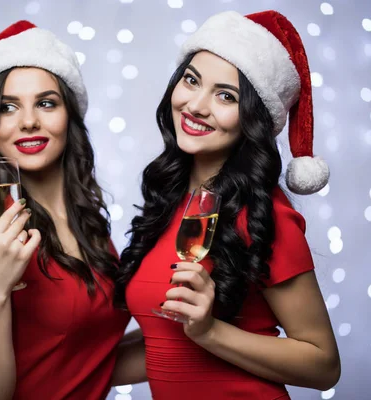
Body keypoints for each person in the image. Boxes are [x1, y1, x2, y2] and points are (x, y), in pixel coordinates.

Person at [115, 10, 340, 399]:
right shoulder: (170, 201)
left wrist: (211, 332)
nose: (196, 105)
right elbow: (164, 344)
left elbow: (324, 365)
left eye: (226, 96)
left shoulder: (264, 216)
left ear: (254, 117)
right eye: (191, 80)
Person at [0, 21, 135, 399]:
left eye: (46, 103)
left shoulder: (88, 221)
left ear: (69, 118)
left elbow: (90, 361)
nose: (29, 121)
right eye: (8, 107)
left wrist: (206, 331)